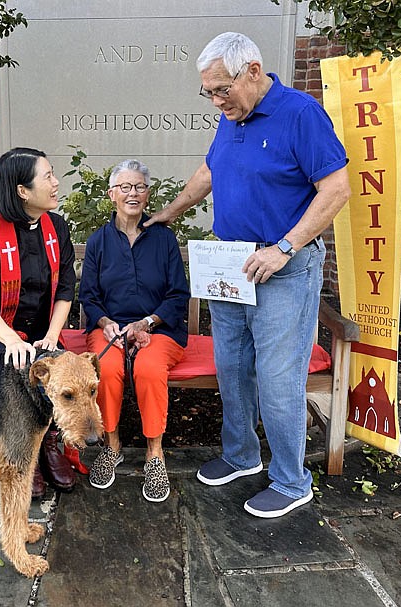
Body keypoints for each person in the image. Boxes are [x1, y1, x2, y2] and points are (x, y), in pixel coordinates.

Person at [146, 32, 351, 518]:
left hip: (282, 268)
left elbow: (336, 188)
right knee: (233, 368)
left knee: (279, 379)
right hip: (231, 264)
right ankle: (241, 456)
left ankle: (290, 479)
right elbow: (210, 171)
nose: (217, 101)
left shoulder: (299, 114)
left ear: (253, 71)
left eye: (222, 90)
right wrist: (168, 213)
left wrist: (285, 248)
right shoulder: (230, 118)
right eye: (209, 93)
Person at [0, 147, 77, 498]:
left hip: (44, 332)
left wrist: (51, 336)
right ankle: (21, 450)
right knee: (16, 366)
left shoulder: (56, 227)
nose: (56, 183)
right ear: (22, 191)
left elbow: (65, 290)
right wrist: (12, 340)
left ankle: (49, 444)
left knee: (58, 367)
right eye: (47, 177)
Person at [79, 159, 190, 503]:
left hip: (159, 328)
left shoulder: (164, 239)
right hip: (110, 328)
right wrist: (105, 322)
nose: (132, 193)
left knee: (148, 367)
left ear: (148, 194)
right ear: (112, 194)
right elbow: (89, 296)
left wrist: (148, 323)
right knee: (106, 368)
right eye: (125, 187)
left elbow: (178, 295)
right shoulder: (99, 241)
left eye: (139, 187)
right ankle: (112, 445)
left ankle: (154, 453)